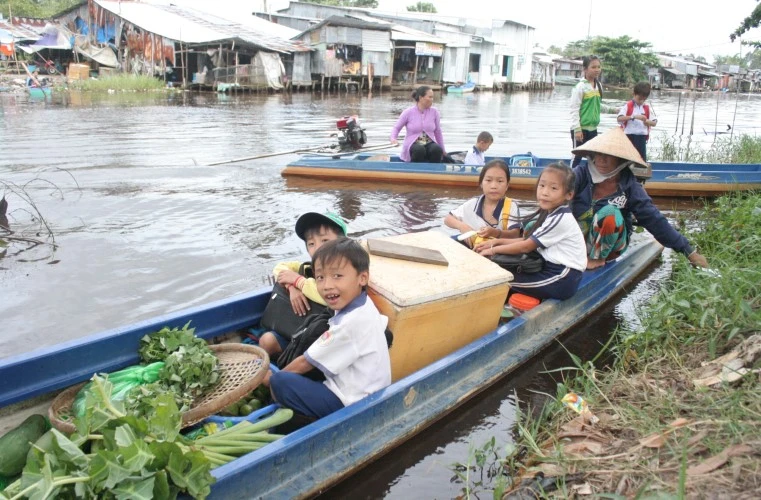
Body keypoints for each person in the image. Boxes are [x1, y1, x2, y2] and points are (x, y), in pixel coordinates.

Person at [268, 238, 392, 419]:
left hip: (352, 403)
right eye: (320, 277)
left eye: (337, 276)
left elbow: (304, 363)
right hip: (363, 389)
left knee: (281, 381)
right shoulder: (364, 304)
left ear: (362, 278)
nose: (327, 286)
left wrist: (269, 381)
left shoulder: (350, 324)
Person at [570, 127, 709, 270]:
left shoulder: (630, 188)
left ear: (620, 160)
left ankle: (597, 259)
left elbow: (654, 219)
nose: (601, 160)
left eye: (608, 156)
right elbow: (556, 197)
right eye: (598, 154)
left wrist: (689, 252)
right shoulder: (580, 176)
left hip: (609, 245)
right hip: (575, 240)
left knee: (609, 214)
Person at [475, 163, 587, 300]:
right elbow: (527, 240)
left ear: (569, 194)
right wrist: (496, 242)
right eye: (542, 185)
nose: (545, 192)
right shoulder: (552, 213)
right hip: (549, 268)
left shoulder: (560, 218)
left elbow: (526, 246)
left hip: (561, 278)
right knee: (502, 272)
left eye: (553, 188)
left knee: (499, 281)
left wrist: (493, 250)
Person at [258, 212, 347, 357]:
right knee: (266, 340)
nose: (318, 247)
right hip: (294, 330)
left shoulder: (346, 274)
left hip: (324, 344)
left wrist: (298, 281)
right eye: (311, 243)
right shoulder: (306, 268)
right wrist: (291, 287)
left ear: (342, 244)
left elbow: (329, 294)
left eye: (325, 240)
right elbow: (279, 268)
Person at [444, 159, 522, 247]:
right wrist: (462, 226)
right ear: (481, 183)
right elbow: (448, 219)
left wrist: (495, 233)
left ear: (507, 185)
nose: (493, 186)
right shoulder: (472, 204)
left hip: (498, 251)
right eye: (488, 180)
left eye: (500, 181)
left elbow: (515, 234)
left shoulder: (511, 206)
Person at [570, 55, 617, 168]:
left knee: (593, 158)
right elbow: (574, 109)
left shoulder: (598, 86)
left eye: (599, 67)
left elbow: (598, 105)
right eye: (593, 67)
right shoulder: (580, 87)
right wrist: (577, 129)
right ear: (585, 69)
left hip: (593, 129)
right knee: (577, 157)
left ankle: (591, 182)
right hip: (581, 129)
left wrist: (614, 110)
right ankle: (570, 181)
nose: (597, 70)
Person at [390, 85, 446, 163]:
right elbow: (396, 128)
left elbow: (438, 131)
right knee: (419, 150)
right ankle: (413, 171)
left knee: (437, 150)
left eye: (432, 97)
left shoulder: (435, 112)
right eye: (430, 97)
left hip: (429, 142)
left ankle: (433, 172)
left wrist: (443, 149)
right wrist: (393, 139)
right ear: (420, 98)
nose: (432, 100)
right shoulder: (408, 112)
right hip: (413, 143)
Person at [617, 81, 658, 161]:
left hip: (641, 138)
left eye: (643, 99)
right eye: (639, 99)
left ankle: (639, 173)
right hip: (629, 136)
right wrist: (634, 117)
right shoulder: (628, 106)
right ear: (634, 94)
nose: (641, 101)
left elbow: (654, 123)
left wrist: (647, 121)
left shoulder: (646, 108)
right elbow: (619, 118)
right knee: (626, 159)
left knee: (640, 160)